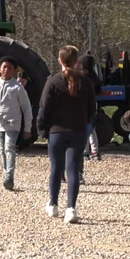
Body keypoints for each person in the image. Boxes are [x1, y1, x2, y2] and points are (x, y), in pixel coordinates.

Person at [37, 45, 96, 224]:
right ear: (77, 61)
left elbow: (44, 108)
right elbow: (93, 109)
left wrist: (42, 128)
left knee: (56, 168)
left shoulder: (53, 81)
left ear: (60, 61)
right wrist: (84, 122)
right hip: (78, 132)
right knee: (73, 170)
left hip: (57, 132)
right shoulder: (86, 83)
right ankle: (71, 208)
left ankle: (53, 204)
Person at [0, 56, 33, 191]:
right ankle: (5, 172)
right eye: (4, 67)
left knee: (9, 147)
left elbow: (26, 108)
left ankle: (9, 175)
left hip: (13, 123)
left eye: (10, 68)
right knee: (2, 149)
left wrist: (27, 128)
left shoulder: (18, 88)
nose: (6, 70)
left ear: (14, 71)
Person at [78, 53, 102, 161]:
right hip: (93, 102)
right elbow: (99, 90)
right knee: (91, 128)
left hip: (83, 103)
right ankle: (95, 152)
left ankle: (85, 151)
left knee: (83, 127)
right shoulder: (94, 76)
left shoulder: (81, 76)